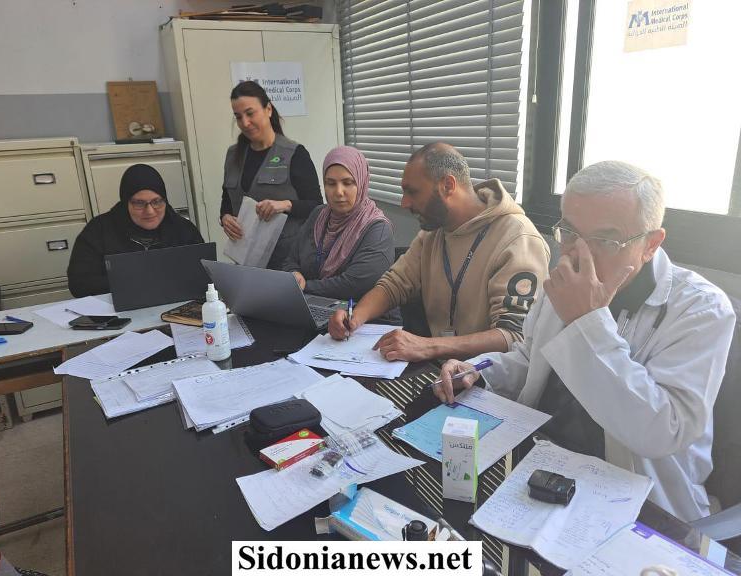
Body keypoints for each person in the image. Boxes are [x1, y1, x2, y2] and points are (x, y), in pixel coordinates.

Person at [437, 161, 736, 522]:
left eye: (606, 241)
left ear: (650, 244)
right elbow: (529, 359)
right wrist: (479, 370)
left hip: (635, 501)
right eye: (569, 233)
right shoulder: (563, 282)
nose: (579, 255)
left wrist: (587, 321)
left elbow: (662, 430)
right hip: (541, 466)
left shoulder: (701, 309)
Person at [328, 142, 550, 362]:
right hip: (442, 370)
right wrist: (354, 318)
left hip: (486, 377)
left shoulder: (518, 239)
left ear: (448, 185)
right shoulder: (434, 232)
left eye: (412, 192)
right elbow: (393, 285)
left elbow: (514, 336)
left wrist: (428, 346)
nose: (404, 203)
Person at [221, 80, 322, 269]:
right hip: (245, 258)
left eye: (250, 113)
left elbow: (316, 206)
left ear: (268, 109)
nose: (245, 123)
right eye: (238, 117)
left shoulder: (294, 153)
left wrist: (285, 205)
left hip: (287, 261)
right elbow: (227, 199)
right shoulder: (233, 155)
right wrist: (225, 218)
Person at [67, 164, 203, 297]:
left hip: (174, 303)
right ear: (126, 203)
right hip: (116, 305)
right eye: (139, 203)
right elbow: (78, 284)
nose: (150, 211)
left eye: (156, 202)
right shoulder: (98, 231)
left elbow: (203, 273)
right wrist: (136, 282)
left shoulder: (183, 229)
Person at [280, 146, 394, 301]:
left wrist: (304, 287)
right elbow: (291, 260)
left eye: (348, 183)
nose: (339, 192)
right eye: (331, 183)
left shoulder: (377, 229)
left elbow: (355, 285)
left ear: (361, 182)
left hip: (359, 312)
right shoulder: (318, 215)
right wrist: (294, 273)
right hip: (309, 304)